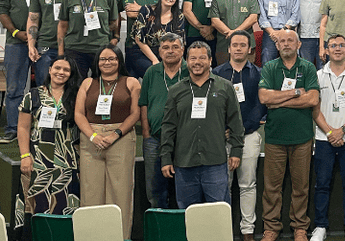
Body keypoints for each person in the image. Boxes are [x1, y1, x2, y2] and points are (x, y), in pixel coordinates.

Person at [161, 41, 245, 208]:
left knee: (218, 212)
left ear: (210, 60)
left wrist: (236, 151)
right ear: (186, 61)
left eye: (202, 58)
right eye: (192, 58)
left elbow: (235, 122)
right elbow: (168, 126)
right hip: (184, 163)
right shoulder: (176, 90)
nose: (197, 62)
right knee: (188, 214)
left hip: (215, 162)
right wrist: (165, 157)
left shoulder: (225, 87)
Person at [258, 29, 320, 241]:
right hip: (275, 138)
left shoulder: (308, 67)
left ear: (298, 44)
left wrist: (278, 101)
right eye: (282, 41)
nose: (286, 44)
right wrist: (295, 92)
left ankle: (300, 227)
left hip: (302, 138)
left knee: (301, 186)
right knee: (271, 188)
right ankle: (271, 228)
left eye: (290, 40)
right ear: (276, 45)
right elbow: (264, 97)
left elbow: (312, 99)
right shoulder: (269, 67)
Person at [74, 45, 141, 239]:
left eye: (112, 58)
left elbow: (135, 113)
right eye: (103, 59)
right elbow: (79, 114)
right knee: (90, 192)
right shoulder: (88, 83)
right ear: (97, 62)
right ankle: (91, 237)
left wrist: (115, 134)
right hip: (91, 139)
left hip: (120, 138)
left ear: (119, 61)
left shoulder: (131, 82)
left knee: (120, 192)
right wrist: (93, 136)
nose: (107, 62)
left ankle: (120, 236)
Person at [15, 55, 82, 236]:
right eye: (57, 68)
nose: (61, 72)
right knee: (37, 202)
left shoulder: (76, 96)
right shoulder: (33, 95)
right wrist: (25, 156)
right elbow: (23, 127)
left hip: (67, 159)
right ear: (50, 69)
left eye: (66, 70)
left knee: (64, 204)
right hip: (37, 158)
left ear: (71, 74)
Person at [310, 34, 345, 241]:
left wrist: (341, 130)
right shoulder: (317, 75)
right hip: (323, 139)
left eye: (341, 45)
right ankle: (320, 227)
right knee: (322, 184)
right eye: (333, 45)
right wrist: (329, 132)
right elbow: (315, 109)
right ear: (326, 50)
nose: (337, 49)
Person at [213, 31, 266, 241]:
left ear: (249, 49)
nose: (238, 48)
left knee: (248, 184)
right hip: (221, 138)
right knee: (222, 186)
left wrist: (240, 129)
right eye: (234, 45)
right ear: (229, 48)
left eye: (242, 45)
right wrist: (223, 128)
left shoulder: (258, 74)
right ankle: (223, 231)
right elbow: (213, 107)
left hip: (249, 136)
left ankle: (247, 231)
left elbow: (260, 106)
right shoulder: (216, 74)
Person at [0, 0, 50, 143]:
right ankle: (13, 128)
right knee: (14, 88)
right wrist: (15, 32)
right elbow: (2, 11)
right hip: (16, 43)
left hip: (44, 42)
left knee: (45, 87)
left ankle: (43, 127)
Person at [138, 33, 189, 208]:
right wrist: (146, 133)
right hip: (154, 139)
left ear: (182, 50)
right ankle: (158, 222)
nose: (170, 51)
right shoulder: (151, 72)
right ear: (159, 51)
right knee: (154, 188)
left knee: (184, 188)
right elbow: (143, 103)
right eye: (166, 48)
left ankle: (181, 223)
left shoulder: (190, 71)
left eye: (175, 47)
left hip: (184, 140)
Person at [57, 0, 120, 79]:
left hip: (100, 49)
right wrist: (60, 53)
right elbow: (62, 25)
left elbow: (114, 22)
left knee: (100, 83)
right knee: (76, 85)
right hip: (74, 48)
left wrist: (104, 32)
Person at [27, 0, 78, 89]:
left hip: (73, 46)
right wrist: (31, 45)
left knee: (72, 88)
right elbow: (33, 20)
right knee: (44, 87)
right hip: (46, 46)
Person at [209, 0, 260, 66]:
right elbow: (214, 21)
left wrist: (235, 33)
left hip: (246, 45)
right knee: (223, 74)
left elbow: (253, 18)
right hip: (224, 46)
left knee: (246, 73)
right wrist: (231, 33)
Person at [257, 0, 301, 64]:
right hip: (270, 35)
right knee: (267, 63)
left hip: (288, 32)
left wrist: (283, 31)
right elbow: (261, 16)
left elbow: (296, 14)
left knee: (292, 63)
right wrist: (272, 32)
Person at [131, 0, 186, 66]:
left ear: (176, 0)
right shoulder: (146, 10)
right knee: (154, 70)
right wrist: (154, 60)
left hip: (167, 54)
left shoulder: (179, 16)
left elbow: (179, 42)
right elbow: (138, 39)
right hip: (144, 53)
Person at [123, 0, 161, 78]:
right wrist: (154, 11)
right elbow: (130, 13)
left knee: (153, 79)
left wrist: (140, 9)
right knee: (131, 81)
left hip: (155, 45)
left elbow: (162, 16)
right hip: (133, 44)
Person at [295, 0, 332, 69]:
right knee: (306, 68)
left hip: (324, 36)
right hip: (305, 37)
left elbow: (333, 9)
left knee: (324, 68)